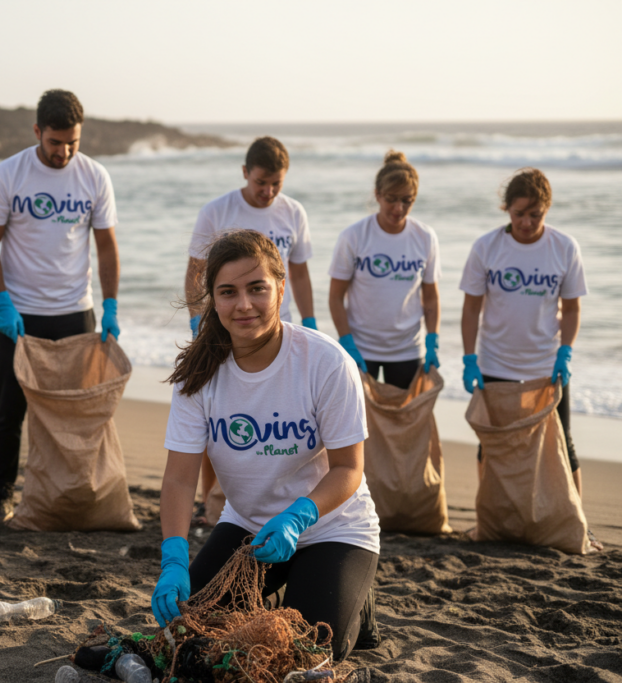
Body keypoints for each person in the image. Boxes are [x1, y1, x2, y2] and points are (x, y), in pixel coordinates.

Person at [154, 229, 381, 661]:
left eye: (257, 288)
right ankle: (274, 592)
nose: (243, 304)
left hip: (331, 527)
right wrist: (174, 557)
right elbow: (180, 480)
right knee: (186, 634)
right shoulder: (197, 375)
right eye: (228, 292)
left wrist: (299, 516)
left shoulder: (326, 362)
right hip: (250, 530)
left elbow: (349, 468)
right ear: (213, 300)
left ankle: (356, 605)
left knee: (305, 650)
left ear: (280, 286)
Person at [0, 89, 121, 523]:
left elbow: (107, 248)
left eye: (72, 142)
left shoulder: (94, 176)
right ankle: (0, 494)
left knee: (75, 413)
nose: (64, 152)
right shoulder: (9, 174)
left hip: (76, 312)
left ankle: (70, 493)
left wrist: (111, 306)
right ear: (38, 131)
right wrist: (2, 302)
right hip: (19, 314)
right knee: (9, 409)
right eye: (55, 142)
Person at [185, 137, 316, 523]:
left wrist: (309, 322)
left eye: (276, 183)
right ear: (245, 173)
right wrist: (198, 321)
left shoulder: (294, 213)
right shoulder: (217, 211)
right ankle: (212, 501)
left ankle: (270, 497)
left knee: (274, 420)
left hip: (279, 329)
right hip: (225, 329)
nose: (268, 191)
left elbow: (301, 272)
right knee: (219, 419)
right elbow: (195, 274)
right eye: (261, 182)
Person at [460, 168, 589, 498]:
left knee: (562, 440)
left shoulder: (564, 247)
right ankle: (489, 519)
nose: (527, 222)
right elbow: (471, 308)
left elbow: (572, 309)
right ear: (506, 209)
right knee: (492, 442)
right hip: (495, 363)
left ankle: (578, 523)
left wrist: (566, 352)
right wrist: (469, 358)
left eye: (536, 214)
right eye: (520, 214)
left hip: (546, 365)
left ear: (547, 209)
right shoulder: (487, 247)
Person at [328, 151, 441, 390]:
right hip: (361, 348)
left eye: (407, 200)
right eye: (391, 199)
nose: (399, 208)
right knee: (359, 424)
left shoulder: (425, 237)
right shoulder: (354, 236)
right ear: (377, 195)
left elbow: (430, 296)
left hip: (407, 350)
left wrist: (433, 341)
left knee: (402, 425)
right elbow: (336, 296)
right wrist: (347, 342)